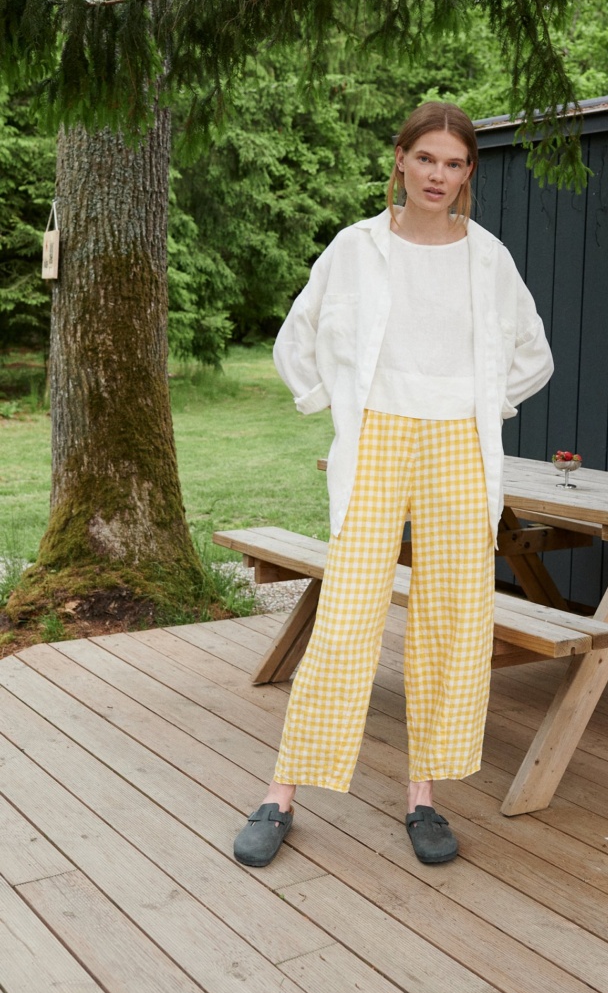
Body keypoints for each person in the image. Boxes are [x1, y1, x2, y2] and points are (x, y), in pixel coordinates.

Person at [233, 100, 553, 869]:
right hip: (377, 436)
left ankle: (423, 798)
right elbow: (297, 338)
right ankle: (282, 791)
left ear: (468, 173)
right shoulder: (356, 247)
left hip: (459, 448)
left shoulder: (489, 258)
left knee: (452, 618)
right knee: (346, 612)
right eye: (427, 158)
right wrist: (329, 405)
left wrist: (483, 404)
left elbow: (532, 354)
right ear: (401, 160)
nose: (439, 175)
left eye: (455, 163)